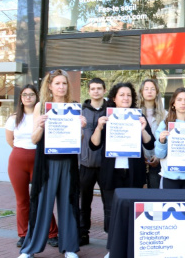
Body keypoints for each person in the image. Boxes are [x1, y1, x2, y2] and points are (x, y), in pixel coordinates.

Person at [19, 69, 86, 258]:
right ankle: (30, 249)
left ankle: (70, 247)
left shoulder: (73, 106)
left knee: (68, 203)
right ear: (50, 86)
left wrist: (81, 128)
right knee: (41, 205)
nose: (61, 87)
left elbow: (78, 141)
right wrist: (40, 125)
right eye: (57, 83)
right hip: (46, 162)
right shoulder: (41, 106)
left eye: (64, 83)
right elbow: (34, 139)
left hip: (68, 162)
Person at [89, 82, 155, 233]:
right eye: (122, 95)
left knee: (133, 211)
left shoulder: (139, 116)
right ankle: (112, 249)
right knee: (111, 212)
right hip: (111, 172)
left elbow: (150, 144)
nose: (126, 98)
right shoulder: (105, 116)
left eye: (129, 95)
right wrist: (99, 127)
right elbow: (94, 145)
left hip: (134, 172)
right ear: (114, 98)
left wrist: (142, 130)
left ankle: (129, 249)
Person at [5, 85, 59, 248]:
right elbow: (10, 140)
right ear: (21, 98)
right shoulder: (13, 118)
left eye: (31, 94)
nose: (28, 97)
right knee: (22, 200)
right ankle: (23, 234)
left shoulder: (43, 116)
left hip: (39, 159)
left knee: (43, 198)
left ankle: (52, 233)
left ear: (37, 97)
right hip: (18, 160)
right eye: (24, 95)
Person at [78, 78, 106, 246]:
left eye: (99, 88)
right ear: (89, 91)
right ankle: (82, 233)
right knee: (84, 201)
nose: (96, 91)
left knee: (108, 202)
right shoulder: (80, 111)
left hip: (105, 165)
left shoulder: (111, 111)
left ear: (104, 90)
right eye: (93, 88)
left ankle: (110, 233)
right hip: (85, 164)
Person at [136, 79, 167, 189]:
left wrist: (158, 156)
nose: (149, 92)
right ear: (141, 92)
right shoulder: (135, 113)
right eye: (146, 89)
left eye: (153, 89)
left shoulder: (165, 115)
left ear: (157, 92)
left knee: (155, 194)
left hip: (157, 161)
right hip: (138, 160)